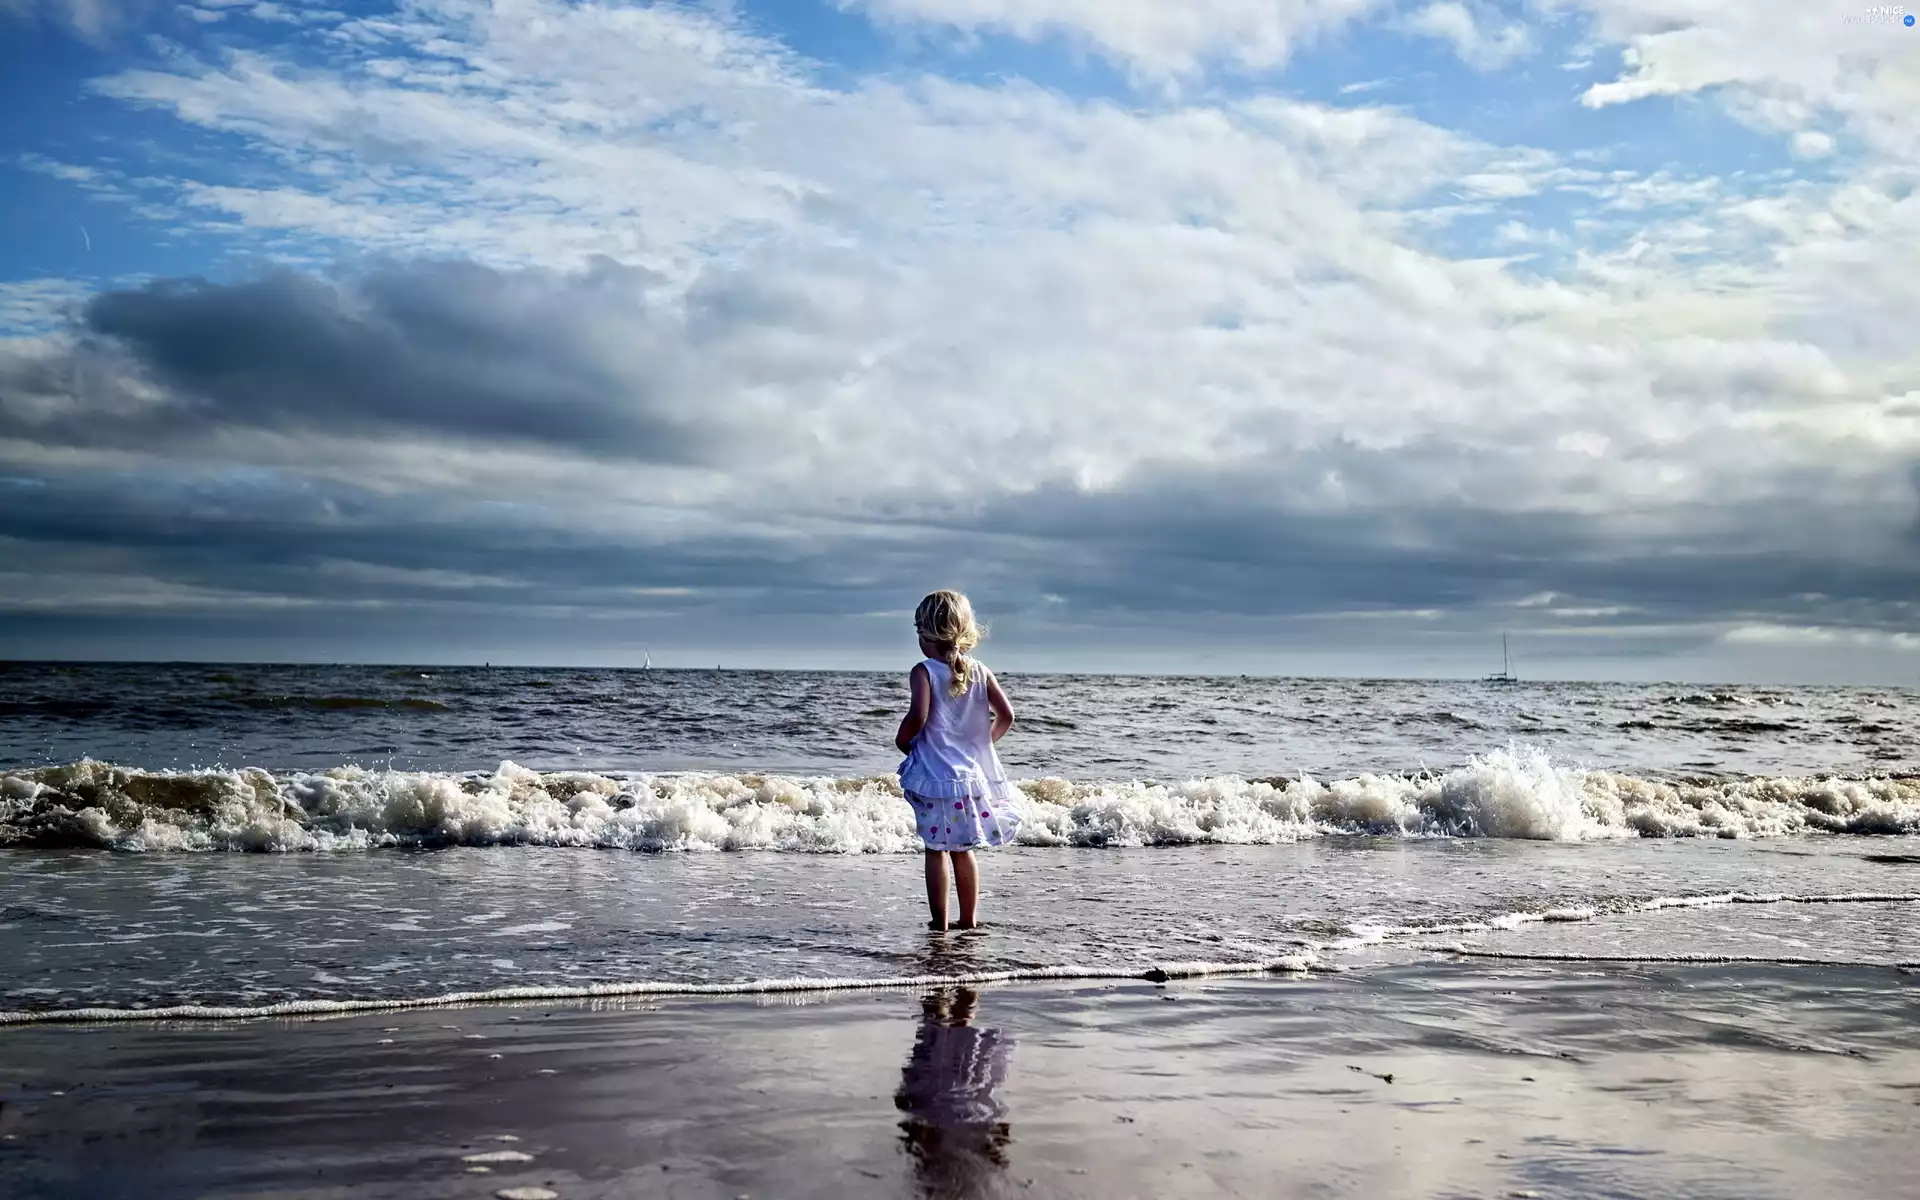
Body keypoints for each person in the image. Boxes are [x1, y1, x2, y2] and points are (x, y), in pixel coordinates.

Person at [895, 590, 1020, 931]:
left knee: (936, 848)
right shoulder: (979, 670)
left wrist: (903, 741)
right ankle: (969, 920)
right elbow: (1006, 716)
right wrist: (980, 748)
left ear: (925, 633)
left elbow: (917, 716)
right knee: (963, 849)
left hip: (935, 777)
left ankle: (941, 924)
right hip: (969, 778)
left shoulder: (924, 671)